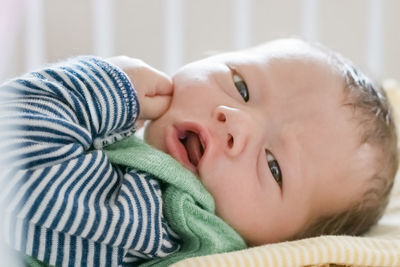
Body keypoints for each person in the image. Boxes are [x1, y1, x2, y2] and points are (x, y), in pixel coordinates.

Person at [0, 38, 397, 266]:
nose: (235, 123)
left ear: (277, 243)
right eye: (241, 88)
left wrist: (102, 86)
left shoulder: (163, 223)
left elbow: (16, 159)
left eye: (274, 167)